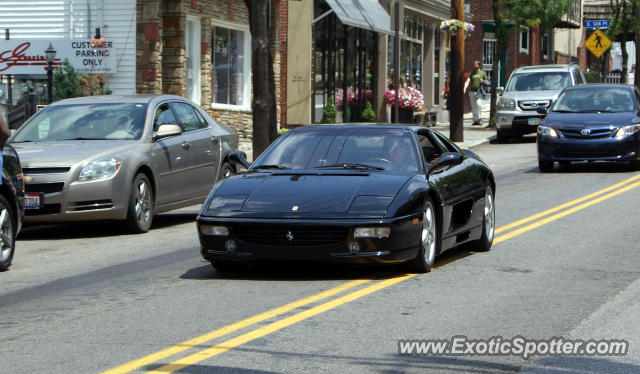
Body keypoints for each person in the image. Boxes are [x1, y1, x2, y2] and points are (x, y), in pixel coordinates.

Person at [464, 60, 487, 126]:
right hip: (472, 91)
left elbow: (486, 82)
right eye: (474, 65)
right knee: (474, 106)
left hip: (479, 91)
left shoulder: (482, 73)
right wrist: (465, 88)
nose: (474, 66)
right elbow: (467, 81)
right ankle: (475, 120)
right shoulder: (472, 73)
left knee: (479, 105)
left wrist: (483, 81)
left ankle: (480, 119)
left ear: (479, 65)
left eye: (476, 65)